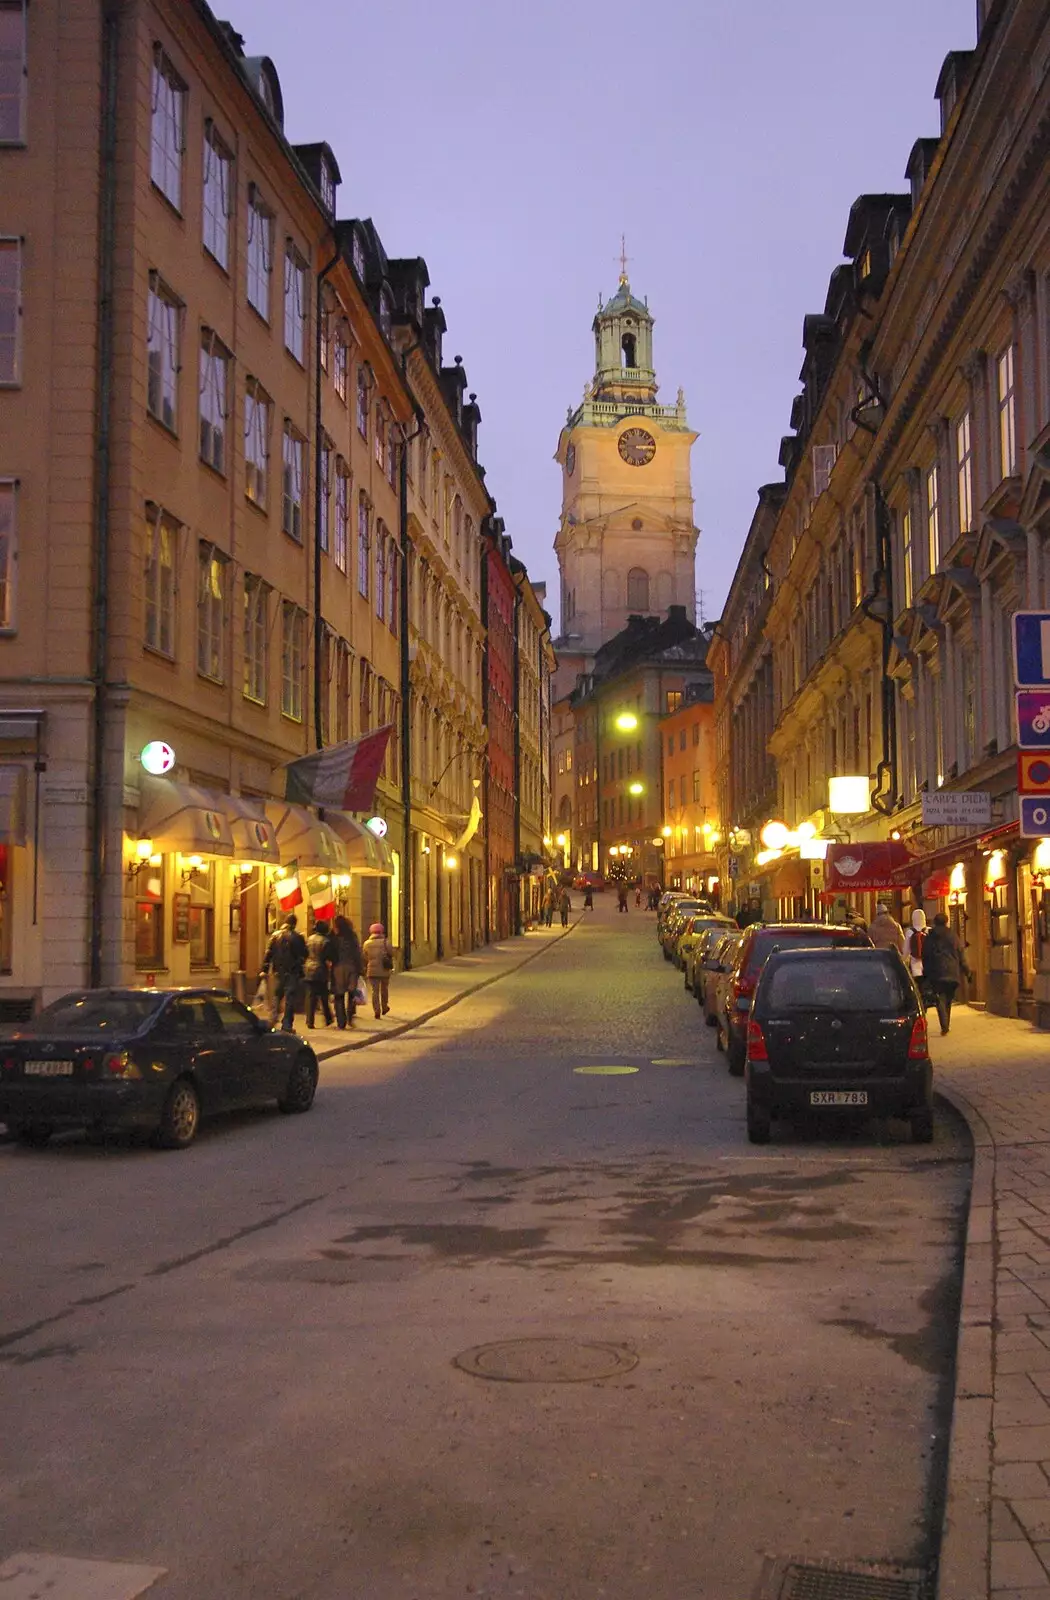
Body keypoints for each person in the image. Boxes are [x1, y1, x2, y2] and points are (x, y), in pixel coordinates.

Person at [922, 911, 972, 1034]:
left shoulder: (930, 937)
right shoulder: (953, 936)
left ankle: (944, 1025)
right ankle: (946, 1024)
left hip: (936, 972)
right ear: (946, 921)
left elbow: (925, 955)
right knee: (948, 998)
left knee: (940, 998)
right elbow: (961, 954)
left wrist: (926, 972)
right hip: (952, 972)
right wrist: (967, 971)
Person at [260, 914, 307, 1033]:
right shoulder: (298, 937)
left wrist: (264, 969)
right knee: (289, 999)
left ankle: (272, 1019)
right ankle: (287, 1025)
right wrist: (299, 964)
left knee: (277, 996)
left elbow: (268, 953)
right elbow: (304, 954)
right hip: (292, 972)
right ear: (294, 924)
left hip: (277, 972)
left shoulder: (275, 936)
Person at [330, 914, 363, 1029]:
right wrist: (360, 968)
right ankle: (350, 1017)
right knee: (351, 993)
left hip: (338, 968)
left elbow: (330, 952)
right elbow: (357, 953)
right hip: (351, 967)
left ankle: (341, 1021)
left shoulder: (333, 936)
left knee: (339, 995)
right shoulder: (352, 936)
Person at [304, 917, 335, 1028]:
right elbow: (328, 956)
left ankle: (309, 1021)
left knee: (311, 996)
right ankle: (328, 1018)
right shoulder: (325, 941)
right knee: (323, 995)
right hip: (320, 969)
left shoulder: (309, 939)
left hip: (308, 968)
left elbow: (305, 953)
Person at [362, 921, 395, 1019]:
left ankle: (376, 1010)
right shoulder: (386, 942)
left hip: (371, 970)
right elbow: (392, 953)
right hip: (384, 970)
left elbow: (364, 956)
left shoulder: (366, 943)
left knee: (374, 991)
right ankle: (384, 1007)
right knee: (384, 989)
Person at [905, 908, 929, 1004]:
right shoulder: (929, 930)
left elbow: (906, 949)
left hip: (915, 964)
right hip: (927, 964)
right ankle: (926, 1002)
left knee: (918, 986)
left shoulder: (909, 932)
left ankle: (920, 1003)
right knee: (925, 984)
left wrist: (904, 960)